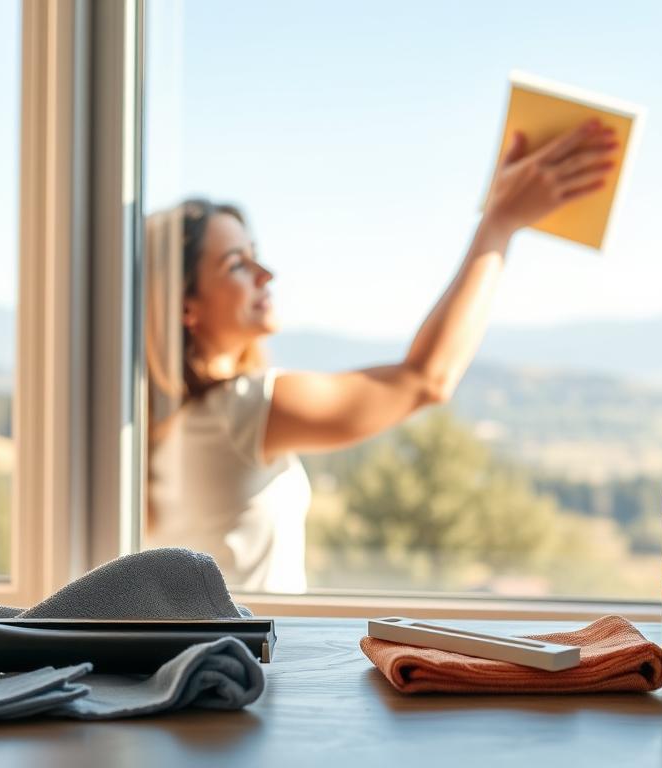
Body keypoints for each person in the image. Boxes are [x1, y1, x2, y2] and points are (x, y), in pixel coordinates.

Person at [146, 120, 619, 592]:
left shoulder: (171, 423)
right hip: (256, 658)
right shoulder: (241, 410)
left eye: (255, 255)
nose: (265, 273)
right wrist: (500, 223)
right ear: (186, 305)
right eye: (236, 264)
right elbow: (426, 379)